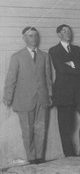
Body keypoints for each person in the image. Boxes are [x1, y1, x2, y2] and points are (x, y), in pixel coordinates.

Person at [3, 27, 52, 164]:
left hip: (42, 99)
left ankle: (39, 157)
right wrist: (8, 97)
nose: (34, 38)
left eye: (35, 36)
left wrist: (50, 95)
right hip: (24, 100)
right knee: (27, 130)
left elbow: (48, 78)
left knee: (41, 129)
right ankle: (31, 157)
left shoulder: (45, 56)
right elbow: (11, 79)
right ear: (24, 38)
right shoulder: (17, 56)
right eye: (30, 36)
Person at [49, 24, 80, 157]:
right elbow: (61, 68)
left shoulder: (78, 49)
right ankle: (69, 155)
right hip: (63, 92)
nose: (67, 33)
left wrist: (72, 64)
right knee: (65, 126)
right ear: (59, 34)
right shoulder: (54, 50)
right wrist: (77, 66)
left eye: (69, 30)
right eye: (64, 31)